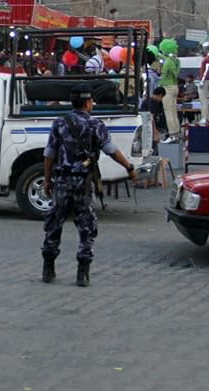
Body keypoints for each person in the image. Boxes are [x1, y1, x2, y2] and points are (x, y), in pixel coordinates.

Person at [40, 83, 139, 287]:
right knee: (86, 227)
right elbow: (112, 150)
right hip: (84, 183)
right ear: (87, 102)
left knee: (54, 224)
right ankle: (82, 273)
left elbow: (49, 154)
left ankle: (48, 269)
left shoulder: (59, 123)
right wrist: (129, 167)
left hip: (61, 181)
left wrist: (47, 180)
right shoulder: (96, 125)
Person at [159, 40, 180, 142]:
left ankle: (171, 135)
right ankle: (176, 133)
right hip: (175, 86)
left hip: (167, 88)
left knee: (168, 112)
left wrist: (159, 87)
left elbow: (163, 77)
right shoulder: (175, 60)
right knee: (173, 112)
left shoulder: (167, 62)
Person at [139, 86, 166, 154]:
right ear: (160, 95)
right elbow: (151, 117)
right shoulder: (152, 102)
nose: (161, 99)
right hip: (147, 125)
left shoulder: (151, 101)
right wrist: (155, 131)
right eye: (162, 97)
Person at [198, 42, 209, 122]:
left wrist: (202, 80)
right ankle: (206, 117)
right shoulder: (208, 57)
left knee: (203, 99)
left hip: (205, 80)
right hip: (205, 79)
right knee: (203, 99)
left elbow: (207, 69)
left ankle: (204, 117)